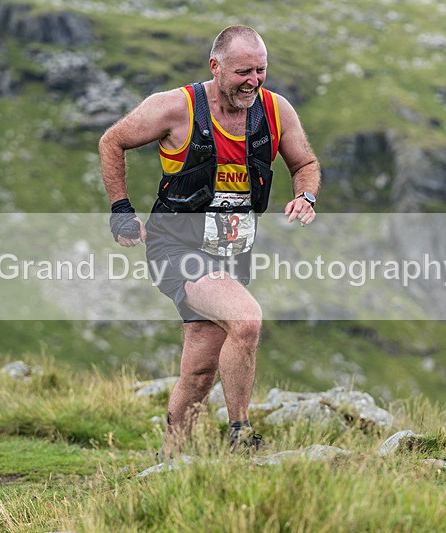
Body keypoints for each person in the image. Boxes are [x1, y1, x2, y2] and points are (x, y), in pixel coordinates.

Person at [99, 25, 321, 456]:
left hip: (234, 252)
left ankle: (170, 456)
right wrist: (121, 210)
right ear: (215, 67)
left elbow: (305, 162)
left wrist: (305, 195)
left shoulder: (276, 111)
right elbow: (113, 141)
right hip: (175, 247)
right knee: (247, 320)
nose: (253, 81)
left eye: (261, 71)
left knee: (201, 370)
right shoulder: (175, 107)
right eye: (243, 72)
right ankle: (240, 433)